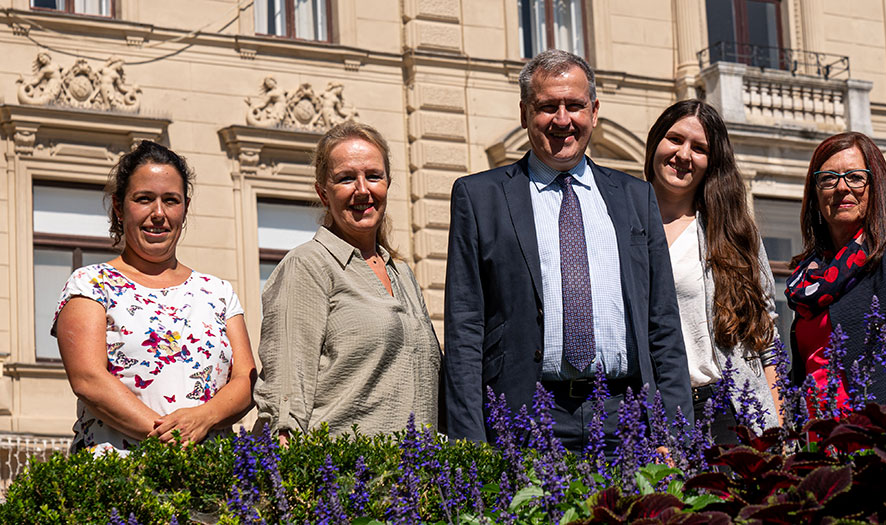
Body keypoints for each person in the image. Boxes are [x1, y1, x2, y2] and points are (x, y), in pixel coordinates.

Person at [443, 49, 693, 452]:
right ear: (525, 114)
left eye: (574, 105)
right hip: (522, 420)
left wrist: (675, 432)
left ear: (594, 111)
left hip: (626, 418)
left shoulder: (635, 198)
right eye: (547, 107)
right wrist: (469, 445)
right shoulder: (479, 198)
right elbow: (464, 329)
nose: (563, 120)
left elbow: (662, 322)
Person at [53, 141, 256, 454]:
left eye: (170, 200)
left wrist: (204, 417)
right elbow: (88, 379)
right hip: (119, 480)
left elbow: (245, 380)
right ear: (119, 207)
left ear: (184, 207)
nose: (158, 213)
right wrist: (173, 440)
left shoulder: (218, 292)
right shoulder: (91, 284)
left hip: (209, 480)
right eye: (144, 199)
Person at [254, 121, 440, 443]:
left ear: (387, 184)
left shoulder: (403, 274)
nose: (362, 189)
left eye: (373, 176)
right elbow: (285, 394)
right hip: (344, 480)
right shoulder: (307, 265)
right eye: (346, 179)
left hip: (415, 482)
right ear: (323, 193)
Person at [643, 100, 782, 442]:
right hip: (645, 411)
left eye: (700, 148)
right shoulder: (619, 223)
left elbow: (766, 339)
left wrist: (778, 430)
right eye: (675, 139)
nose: (684, 154)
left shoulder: (733, 233)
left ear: (712, 162)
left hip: (724, 410)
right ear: (655, 142)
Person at [786, 131, 886, 406]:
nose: (842, 187)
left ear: (875, 188)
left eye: (855, 177)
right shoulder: (809, 276)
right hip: (811, 438)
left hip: (868, 439)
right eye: (829, 179)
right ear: (816, 195)